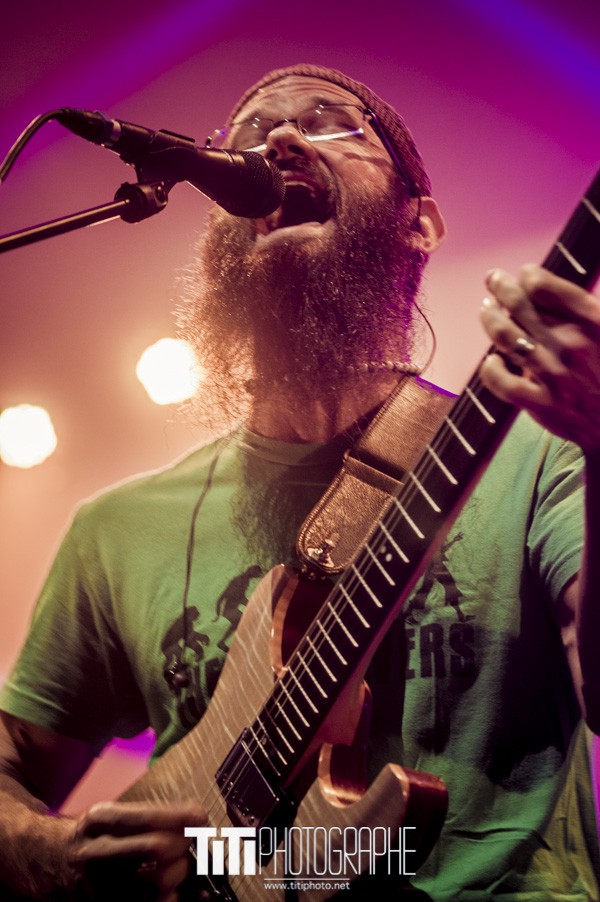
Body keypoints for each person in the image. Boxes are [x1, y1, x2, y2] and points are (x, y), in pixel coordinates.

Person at [0, 63, 598, 901]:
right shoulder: (118, 528)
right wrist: (60, 854)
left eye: (330, 122)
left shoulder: (538, 452)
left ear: (419, 225)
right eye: (250, 134)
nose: (279, 139)